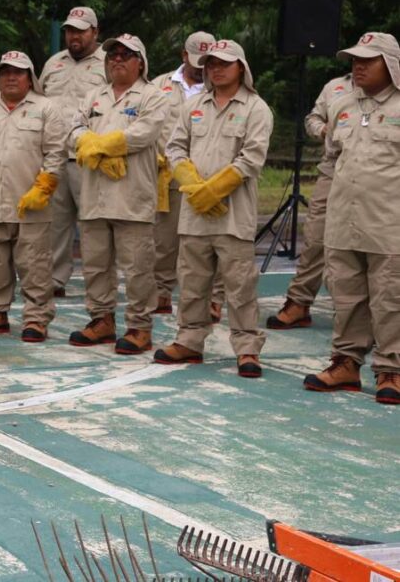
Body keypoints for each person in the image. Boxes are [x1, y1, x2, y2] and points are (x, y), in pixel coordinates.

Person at [156, 40, 273, 377]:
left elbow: (252, 158)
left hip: (233, 214)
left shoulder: (256, 108)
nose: (215, 69)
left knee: (240, 286)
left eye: (224, 63)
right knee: (192, 281)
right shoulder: (193, 106)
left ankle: (247, 348)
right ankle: (189, 341)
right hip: (194, 213)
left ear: (241, 67)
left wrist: (215, 191)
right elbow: (175, 148)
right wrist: (194, 187)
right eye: (210, 64)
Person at [303, 32, 400, 405]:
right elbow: (333, 160)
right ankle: (345, 363)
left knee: (390, 299)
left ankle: (391, 370)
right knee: (346, 297)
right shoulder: (341, 105)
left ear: (390, 64)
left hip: (389, 224)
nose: (358, 66)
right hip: (344, 221)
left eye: (368, 60)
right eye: (355, 59)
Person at [67, 34, 168, 354]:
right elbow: (74, 130)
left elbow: (144, 133)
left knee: (137, 267)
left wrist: (100, 146)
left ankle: (139, 327)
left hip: (132, 195)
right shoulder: (93, 96)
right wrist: (88, 143)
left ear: (141, 62)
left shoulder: (153, 96)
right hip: (94, 194)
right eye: (113, 55)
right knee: (95, 265)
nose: (118, 59)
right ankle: (101, 320)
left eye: (126, 54)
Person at [0, 51, 66, 340]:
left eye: (18, 72)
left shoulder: (46, 108)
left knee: (35, 265)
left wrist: (43, 188)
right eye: (5, 72)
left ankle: (36, 318)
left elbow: (56, 153)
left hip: (32, 205)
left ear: (30, 78)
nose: (11, 77)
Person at [266, 69, 353, 329]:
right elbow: (312, 118)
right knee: (316, 237)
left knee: (375, 245)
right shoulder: (335, 86)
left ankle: (365, 314)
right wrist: (323, 129)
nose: (359, 64)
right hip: (333, 170)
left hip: (381, 175)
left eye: (368, 58)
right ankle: (299, 302)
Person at [150, 31, 226, 321]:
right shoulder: (159, 86)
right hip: (169, 174)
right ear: (184, 55)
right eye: (197, 60)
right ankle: (160, 292)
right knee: (164, 239)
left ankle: (213, 298)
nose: (202, 67)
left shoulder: (221, 87)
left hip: (209, 177)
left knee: (209, 240)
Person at [40, 6, 108, 297]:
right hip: (54, 156)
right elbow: (39, 102)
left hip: (90, 158)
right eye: (69, 31)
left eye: (80, 31)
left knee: (93, 225)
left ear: (95, 32)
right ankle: (54, 280)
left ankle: (98, 283)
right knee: (54, 224)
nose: (74, 36)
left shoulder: (109, 62)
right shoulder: (53, 63)